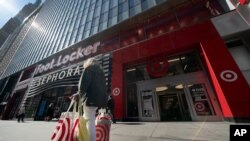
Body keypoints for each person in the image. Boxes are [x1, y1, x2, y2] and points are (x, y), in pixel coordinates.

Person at [76, 57, 108, 141]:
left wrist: (78, 95)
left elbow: (82, 86)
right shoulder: (101, 73)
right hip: (97, 101)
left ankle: (90, 139)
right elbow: (104, 88)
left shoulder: (88, 69)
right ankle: (83, 137)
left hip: (89, 99)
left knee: (90, 121)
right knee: (88, 118)